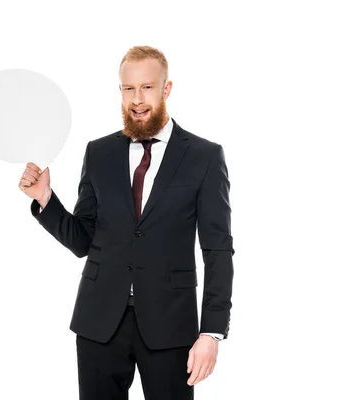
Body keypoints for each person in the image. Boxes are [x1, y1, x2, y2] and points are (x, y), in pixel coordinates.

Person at [18, 45, 234, 400]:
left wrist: (211, 333)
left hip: (171, 325)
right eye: (128, 88)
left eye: (147, 87)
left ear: (166, 89)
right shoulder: (99, 152)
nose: (137, 99)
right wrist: (45, 199)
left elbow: (218, 249)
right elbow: (82, 241)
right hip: (98, 321)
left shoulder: (205, 156)